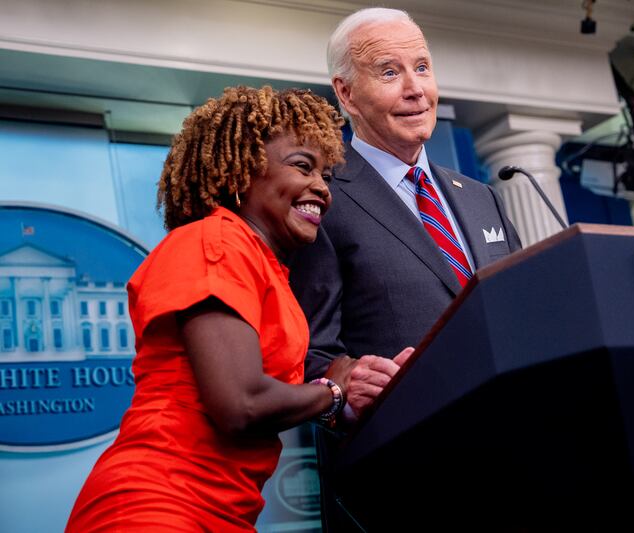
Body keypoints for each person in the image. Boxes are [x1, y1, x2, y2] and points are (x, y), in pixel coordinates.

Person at [66, 86, 357, 532]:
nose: (321, 187)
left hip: (219, 512)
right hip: (156, 506)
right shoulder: (214, 242)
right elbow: (240, 403)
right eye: (302, 166)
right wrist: (331, 392)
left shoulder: (261, 263)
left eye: (326, 176)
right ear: (242, 170)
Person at [290, 7, 522, 421]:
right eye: (390, 72)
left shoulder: (481, 196)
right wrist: (343, 390)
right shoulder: (322, 199)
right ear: (345, 94)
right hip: (411, 451)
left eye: (422, 67)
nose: (416, 89)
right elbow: (308, 353)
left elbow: (524, 311)